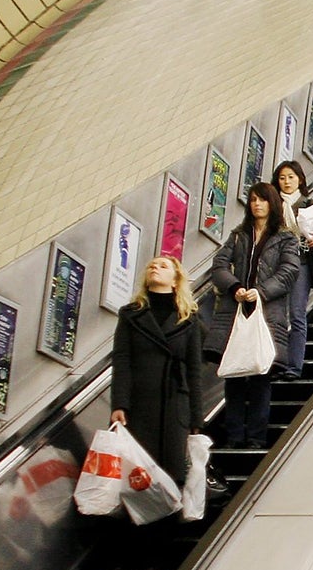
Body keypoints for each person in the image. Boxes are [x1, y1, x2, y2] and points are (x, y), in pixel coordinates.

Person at [207, 186, 300, 450]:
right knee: (234, 376)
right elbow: (219, 266)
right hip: (235, 311)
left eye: (261, 200)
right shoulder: (238, 236)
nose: (256, 205)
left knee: (261, 376)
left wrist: (260, 292)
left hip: (266, 312)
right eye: (253, 200)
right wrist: (235, 287)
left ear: (272, 204)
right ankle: (235, 436)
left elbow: (289, 271)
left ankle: (257, 437)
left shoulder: (286, 238)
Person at [112, 253, 207, 487]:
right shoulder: (131, 314)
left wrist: (196, 418)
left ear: (175, 280)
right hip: (139, 402)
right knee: (139, 472)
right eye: (152, 266)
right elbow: (122, 360)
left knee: (172, 473)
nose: (155, 268)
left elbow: (194, 370)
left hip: (175, 404)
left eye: (163, 266)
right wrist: (119, 404)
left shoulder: (189, 318)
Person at [275, 160, 313, 380]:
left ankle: (294, 365)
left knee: (297, 313)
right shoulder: (272, 204)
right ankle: (276, 363)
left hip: (302, 263)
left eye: (290, 177)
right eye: (282, 177)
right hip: (276, 265)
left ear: (300, 179)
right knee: (276, 315)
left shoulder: (310, 203)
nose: (287, 182)